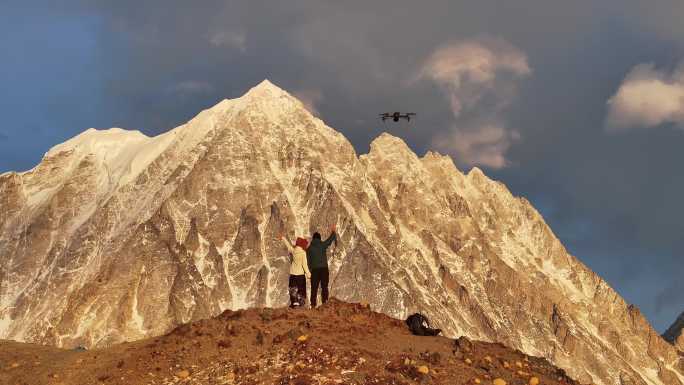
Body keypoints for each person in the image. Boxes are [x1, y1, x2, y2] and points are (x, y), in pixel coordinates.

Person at [307, 224, 337, 308]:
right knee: (324, 287)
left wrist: (310, 270)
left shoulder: (309, 249)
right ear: (319, 238)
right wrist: (333, 232)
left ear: (313, 239)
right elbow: (329, 241)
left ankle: (313, 305)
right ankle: (325, 303)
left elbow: (308, 261)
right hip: (324, 269)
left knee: (314, 288)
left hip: (315, 270)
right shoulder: (322, 245)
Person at [280, 234, 311, 308]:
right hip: (300, 275)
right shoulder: (303, 253)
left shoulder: (293, 251)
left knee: (293, 289)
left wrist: (283, 238)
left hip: (293, 274)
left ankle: (294, 302)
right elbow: (305, 265)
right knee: (301, 289)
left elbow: (288, 245)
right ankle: (301, 303)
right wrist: (309, 274)